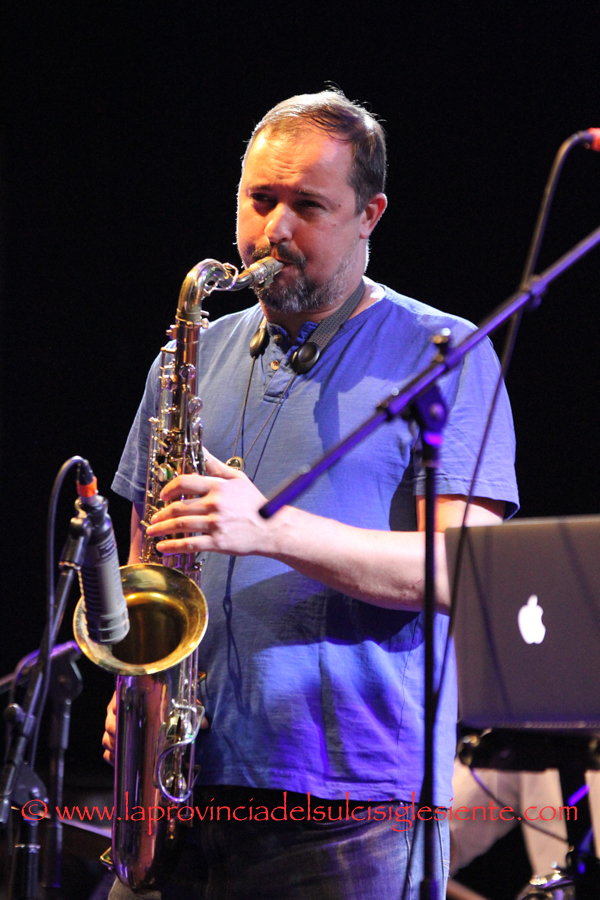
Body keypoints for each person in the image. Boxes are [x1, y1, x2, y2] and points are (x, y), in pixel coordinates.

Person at [103, 90, 519, 899]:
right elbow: (145, 562)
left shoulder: (446, 354)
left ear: (369, 216)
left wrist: (271, 529)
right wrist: (136, 684)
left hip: (352, 805)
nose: (275, 230)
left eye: (308, 206)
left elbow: (465, 572)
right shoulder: (188, 356)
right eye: (260, 200)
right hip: (181, 785)